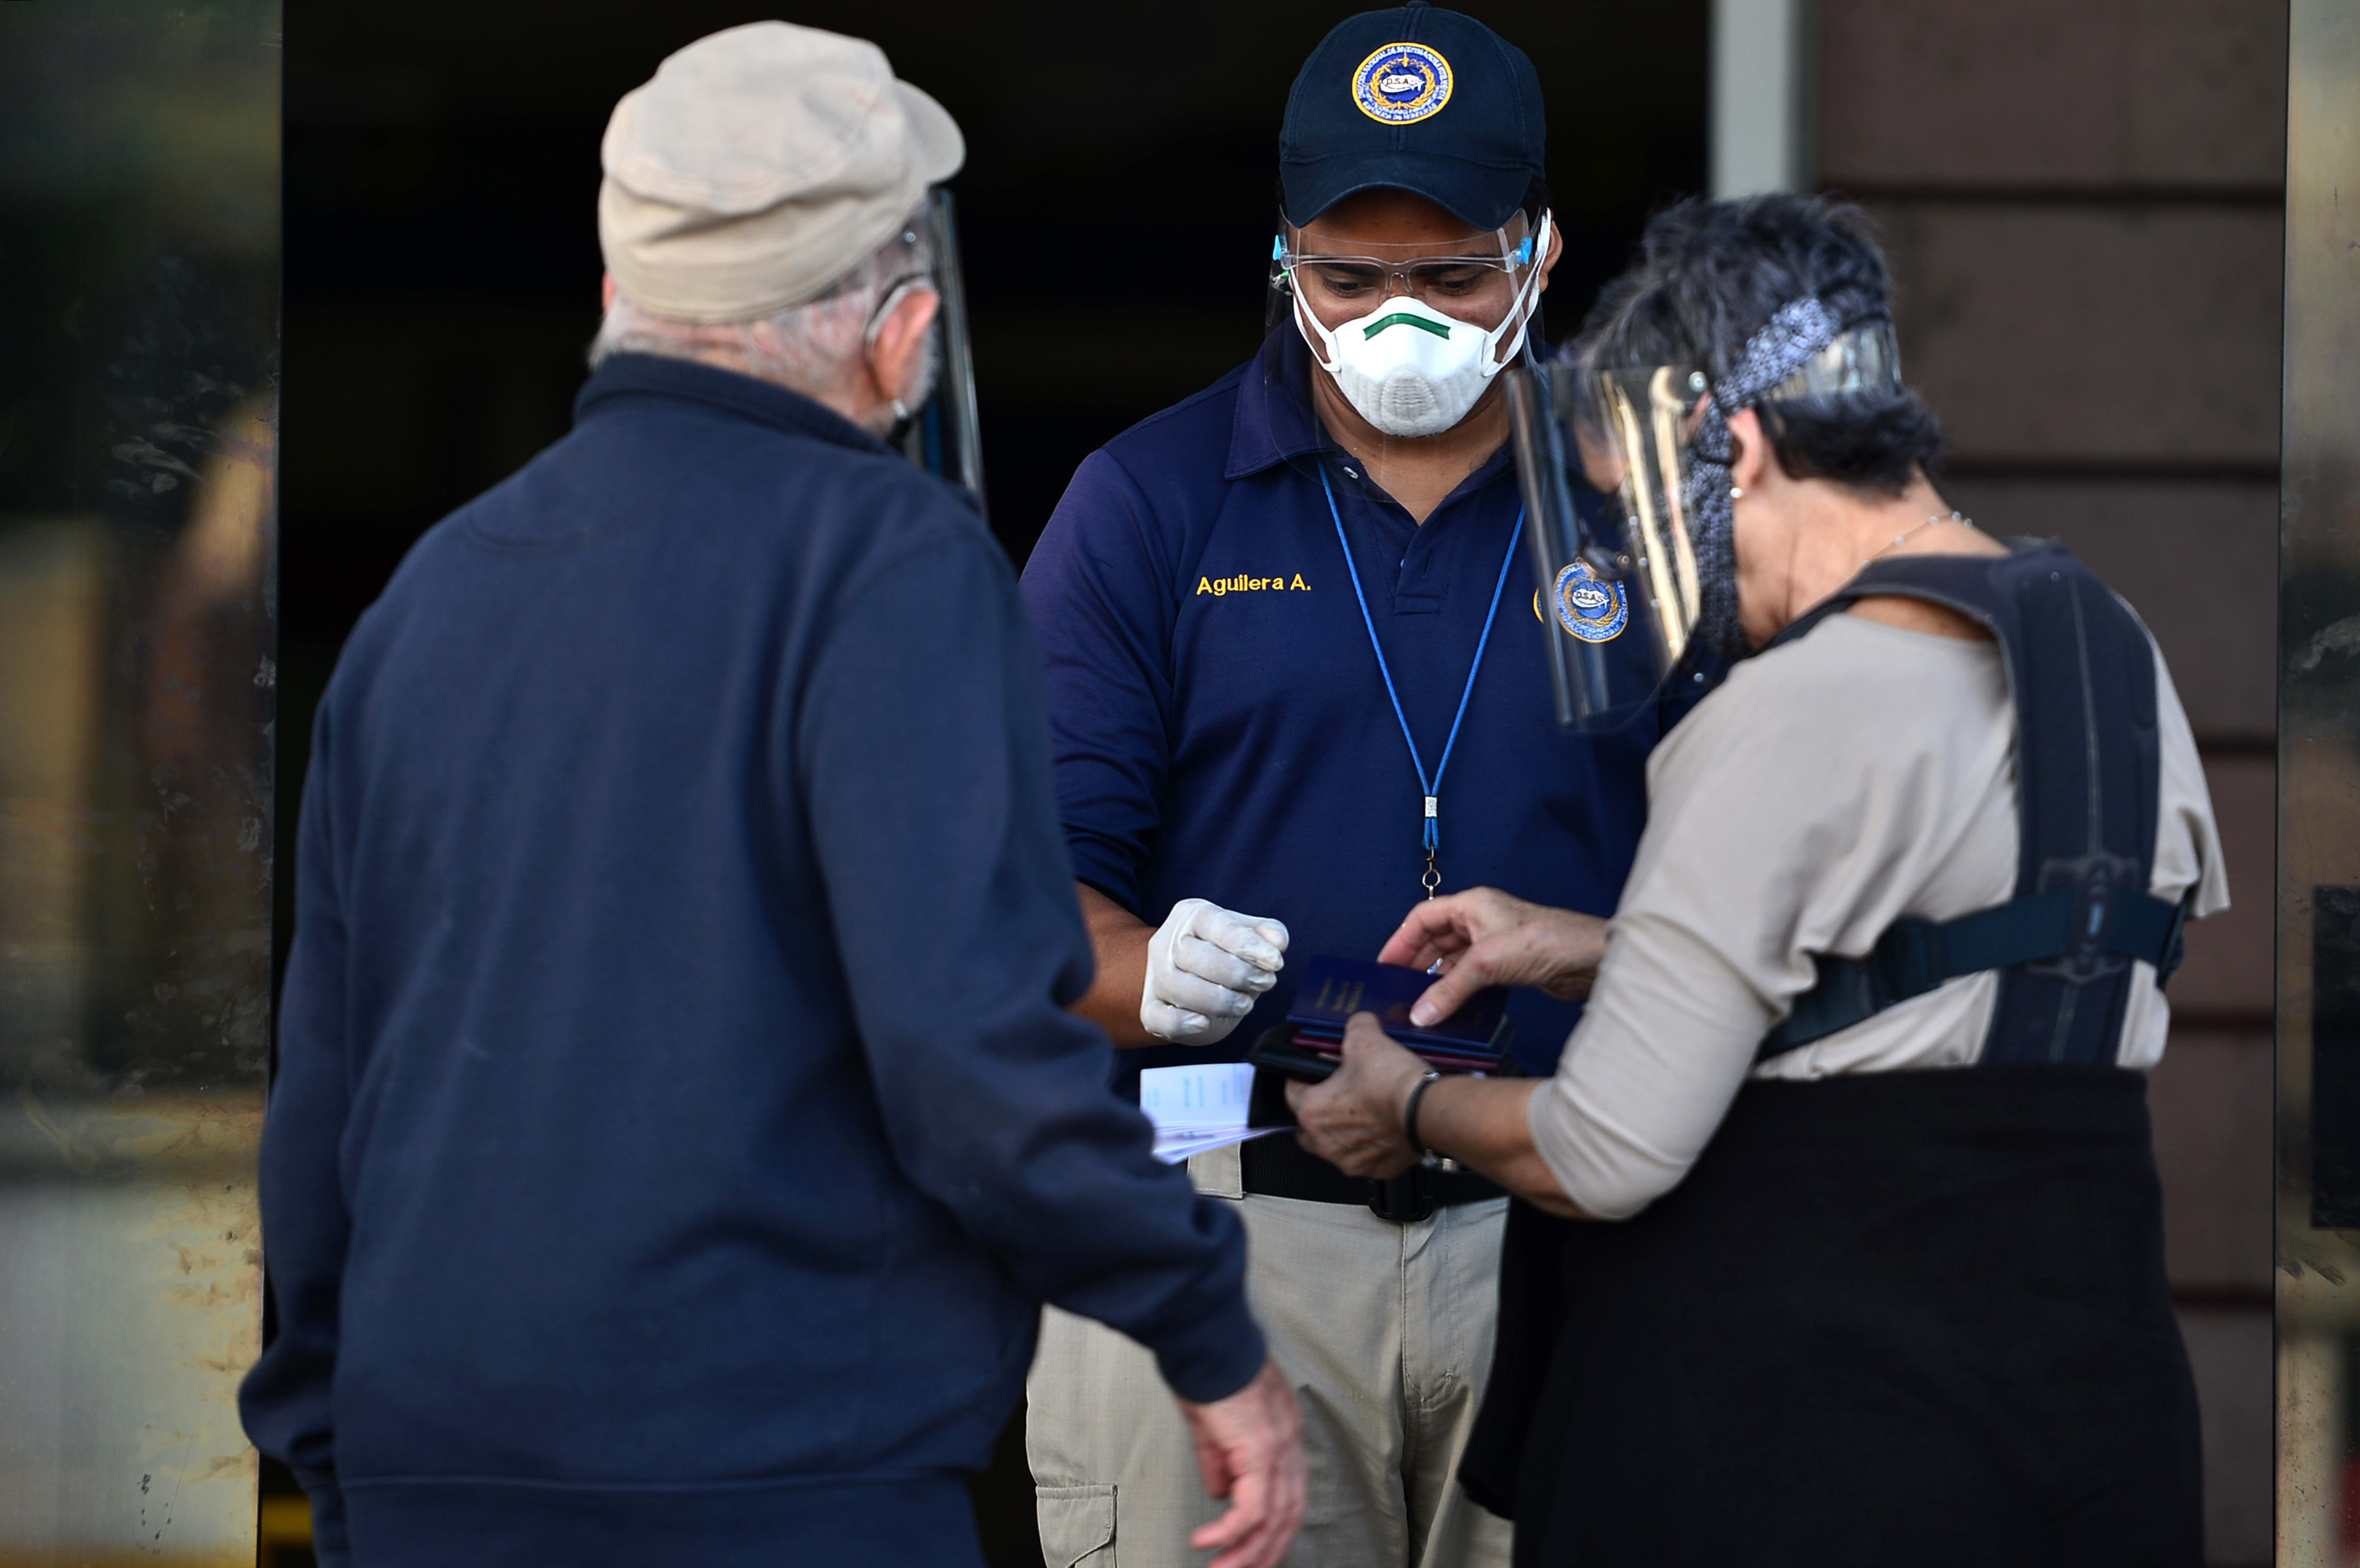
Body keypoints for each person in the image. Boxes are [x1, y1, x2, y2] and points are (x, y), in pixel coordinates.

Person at [237, 23, 1304, 1568]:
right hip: (780, 1481)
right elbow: (972, 1057)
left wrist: (340, 1460)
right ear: (899, 326)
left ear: (622, 292)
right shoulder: (895, 564)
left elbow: (323, 1101)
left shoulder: (430, 595)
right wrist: (1207, 1324)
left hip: (432, 1479)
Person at [1291, 192, 2226, 1565]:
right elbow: (1969, 962)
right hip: (2084, 1429)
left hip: (1818, 1443)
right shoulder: (2107, 648)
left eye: (1638, 508)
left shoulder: (1787, 710)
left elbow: (1601, 1155)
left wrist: (1407, 1099)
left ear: (1727, 447)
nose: (1642, 558)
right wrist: (1591, 946)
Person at [1018, 8, 1671, 1566]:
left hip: (1575, 1227)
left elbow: (1774, 885)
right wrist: (1144, 970)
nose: (1401, 319)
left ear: (1541, 252)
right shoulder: (1147, 501)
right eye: (1350, 277)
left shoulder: (1651, 498)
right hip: (1224, 1228)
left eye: (1452, 275)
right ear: (1283, 257)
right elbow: (1017, 904)